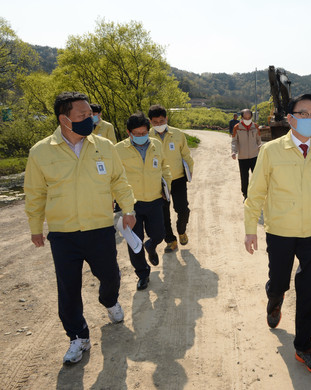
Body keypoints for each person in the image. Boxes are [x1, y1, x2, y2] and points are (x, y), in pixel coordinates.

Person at [24, 91, 136, 364]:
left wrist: (129, 208)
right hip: (64, 234)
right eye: (83, 116)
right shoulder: (40, 152)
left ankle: (109, 301)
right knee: (68, 288)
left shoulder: (104, 146)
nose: (91, 120)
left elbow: (119, 180)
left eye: (91, 114)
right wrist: (36, 227)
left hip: (99, 227)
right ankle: (78, 337)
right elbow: (35, 193)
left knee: (110, 276)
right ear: (64, 119)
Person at [244, 93, 311, 374]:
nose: (308, 118)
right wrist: (250, 231)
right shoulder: (271, 151)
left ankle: (304, 346)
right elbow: (256, 192)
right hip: (280, 232)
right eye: (302, 113)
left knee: (309, 292)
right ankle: (275, 296)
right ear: (290, 118)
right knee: (279, 279)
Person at [116, 112, 171, 290]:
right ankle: (142, 274)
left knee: (159, 234)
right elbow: (113, 177)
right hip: (131, 204)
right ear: (129, 133)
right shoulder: (117, 150)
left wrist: (166, 186)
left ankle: (152, 245)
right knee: (134, 242)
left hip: (155, 199)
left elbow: (164, 166)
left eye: (144, 133)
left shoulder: (156, 144)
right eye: (137, 134)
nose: (141, 137)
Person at [148, 104, 194, 253]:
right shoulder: (147, 137)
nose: (159, 125)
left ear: (166, 119)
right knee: (163, 214)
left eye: (161, 121)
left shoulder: (178, 134)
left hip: (178, 178)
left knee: (183, 210)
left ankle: (181, 230)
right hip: (158, 182)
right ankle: (171, 240)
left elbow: (186, 155)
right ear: (150, 122)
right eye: (155, 122)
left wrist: (189, 172)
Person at [231, 108, 262, 200]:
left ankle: (256, 194)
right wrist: (234, 151)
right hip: (242, 156)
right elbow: (234, 141)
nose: (247, 120)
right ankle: (245, 194)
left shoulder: (255, 127)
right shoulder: (237, 127)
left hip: (254, 156)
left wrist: (260, 149)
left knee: (256, 176)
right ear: (242, 117)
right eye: (246, 118)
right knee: (244, 177)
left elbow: (258, 140)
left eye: (249, 118)